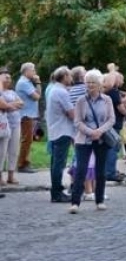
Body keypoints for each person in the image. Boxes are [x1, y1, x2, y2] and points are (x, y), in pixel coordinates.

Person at [70, 69, 115, 213]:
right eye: (87, 82)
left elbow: (111, 119)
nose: (90, 85)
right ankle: (75, 203)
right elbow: (77, 121)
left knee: (100, 171)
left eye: (93, 82)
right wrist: (91, 132)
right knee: (81, 170)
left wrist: (99, 131)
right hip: (84, 139)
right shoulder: (81, 100)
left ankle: (99, 200)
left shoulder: (107, 100)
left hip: (101, 139)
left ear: (99, 84)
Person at [46, 66, 75, 202]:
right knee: (59, 163)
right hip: (62, 130)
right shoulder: (61, 92)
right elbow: (71, 113)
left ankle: (56, 191)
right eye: (69, 76)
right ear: (64, 77)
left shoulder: (54, 89)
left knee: (55, 163)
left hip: (56, 130)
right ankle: (57, 193)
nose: (71, 78)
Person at [14, 62, 42, 173]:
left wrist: (36, 83)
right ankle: (22, 164)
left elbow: (37, 96)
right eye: (33, 70)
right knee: (27, 140)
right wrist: (38, 82)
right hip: (25, 115)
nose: (35, 72)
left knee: (28, 139)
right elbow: (37, 97)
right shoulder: (24, 83)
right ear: (27, 71)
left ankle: (24, 163)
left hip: (28, 114)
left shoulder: (27, 82)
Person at [0, 68, 24, 187]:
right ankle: (0, 176)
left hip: (15, 123)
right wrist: (11, 106)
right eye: (6, 77)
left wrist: (9, 106)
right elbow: (4, 106)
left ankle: (11, 174)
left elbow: (21, 103)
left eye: (10, 77)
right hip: (4, 124)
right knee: (2, 151)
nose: (9, 80)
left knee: (14, 150)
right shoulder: (0, 92)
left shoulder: (12, 92)